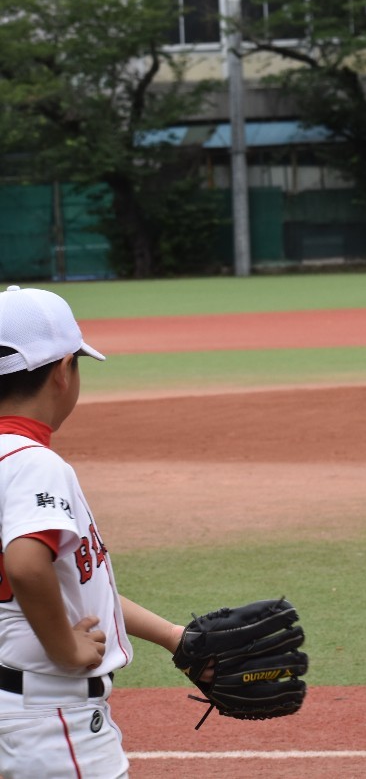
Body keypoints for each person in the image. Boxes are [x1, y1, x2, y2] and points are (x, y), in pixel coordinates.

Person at [0, 285, 190, 778]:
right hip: (47, 720)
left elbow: (69, 588)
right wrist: (65, 648)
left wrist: (172, 636)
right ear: (63, 371)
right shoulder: (32, 462)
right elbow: (26, 565)